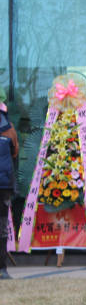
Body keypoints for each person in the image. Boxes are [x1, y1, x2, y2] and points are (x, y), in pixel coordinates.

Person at [0, 100, 18, 280]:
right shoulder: (10, 130)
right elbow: (15, 153)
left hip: (4, 185)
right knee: (2, 228)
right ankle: (2, 269)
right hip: (4, 186)